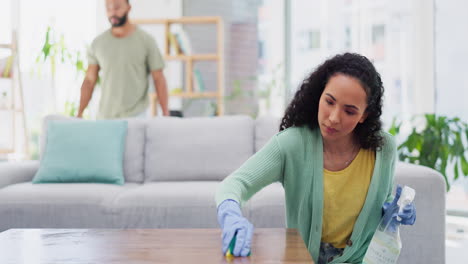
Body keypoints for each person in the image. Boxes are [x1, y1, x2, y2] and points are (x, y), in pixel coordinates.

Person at [215, 53, 416, 263]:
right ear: (319, 94)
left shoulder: (384, 148)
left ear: (364, 115)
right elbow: (233, 184)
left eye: (349, 111)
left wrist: (393, 211)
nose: (334, 118)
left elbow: (381, 203)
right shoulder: (291, 144)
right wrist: (231, 215)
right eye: (329, 101)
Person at [77, 0, 169, 119]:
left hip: (136, 115)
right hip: (105, 117)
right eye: (108, 8)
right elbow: (89, 81)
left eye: (117, 8)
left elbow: (159, 78)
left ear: (128, 8)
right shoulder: (98, 44)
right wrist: (79, 113)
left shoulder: (146, 41)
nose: (112, 13)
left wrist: (165, 113)